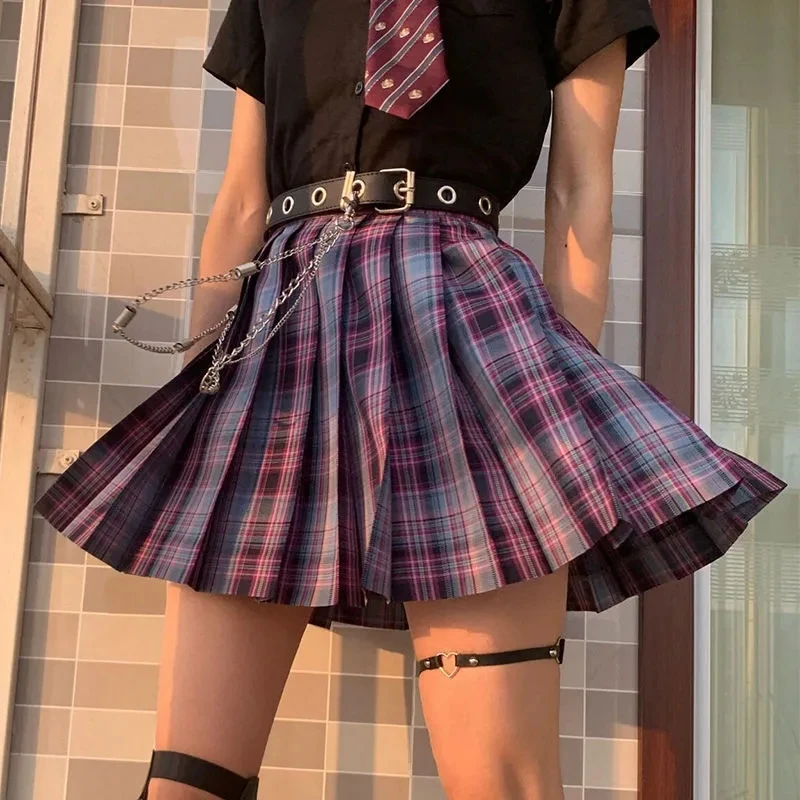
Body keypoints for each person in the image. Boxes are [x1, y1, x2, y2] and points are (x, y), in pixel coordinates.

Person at [36, 1, 786, 798]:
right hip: (287, 320)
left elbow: (579, 188)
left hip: (465, 313)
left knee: (501, 781)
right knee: (187, 782)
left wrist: (562, 390)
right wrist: (203, 383)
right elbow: (242, 200)